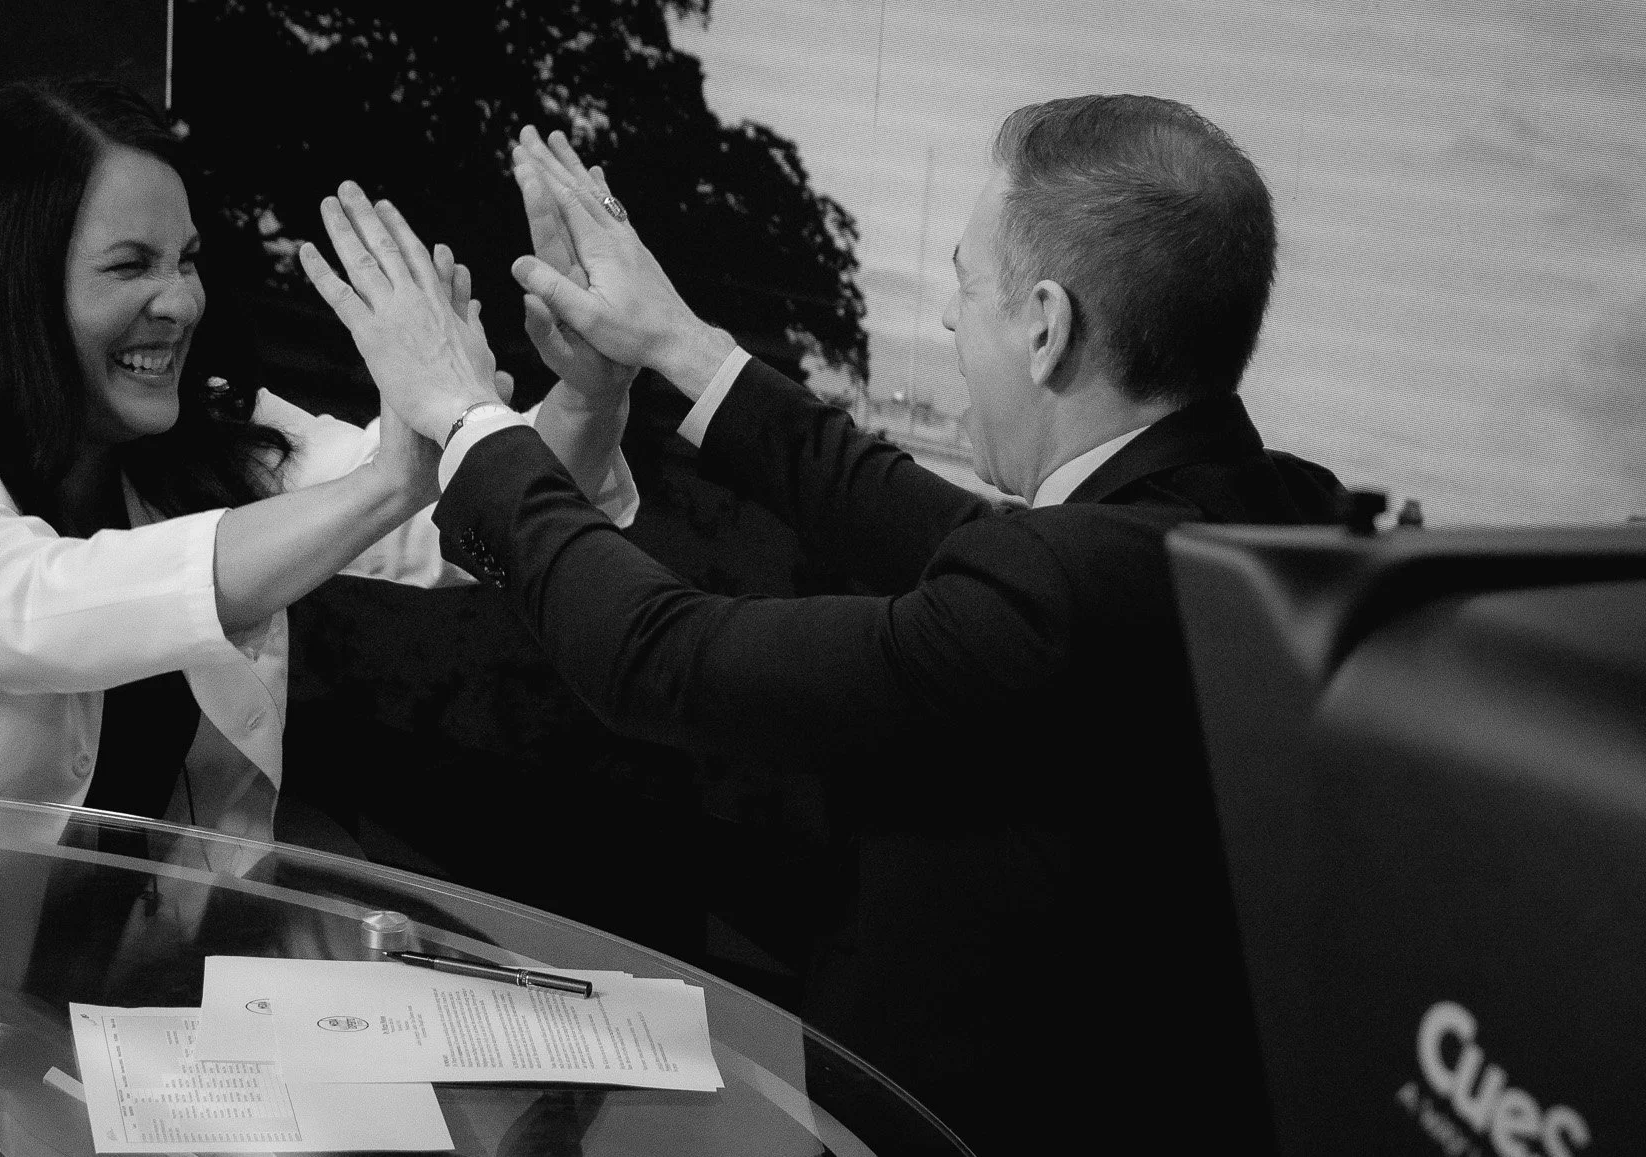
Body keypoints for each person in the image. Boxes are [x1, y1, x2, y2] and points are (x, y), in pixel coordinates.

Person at [299, 94, 1344, 1149]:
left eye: (962, 286)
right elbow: (924, 526)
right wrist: (678, 342)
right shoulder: (1253, 513)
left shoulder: (1065, 589)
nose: (945, 318)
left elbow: (657, 659)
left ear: (1043, 325)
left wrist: (463, 414)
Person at [0, 79, 636, 846]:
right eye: (130, 267)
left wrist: (589, 392)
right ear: (8, 284)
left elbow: (464, 524)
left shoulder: (203, 432)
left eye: (188, 259)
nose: (183, 300)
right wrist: (385, 481)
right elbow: (34, 609)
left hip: (131, 1000)